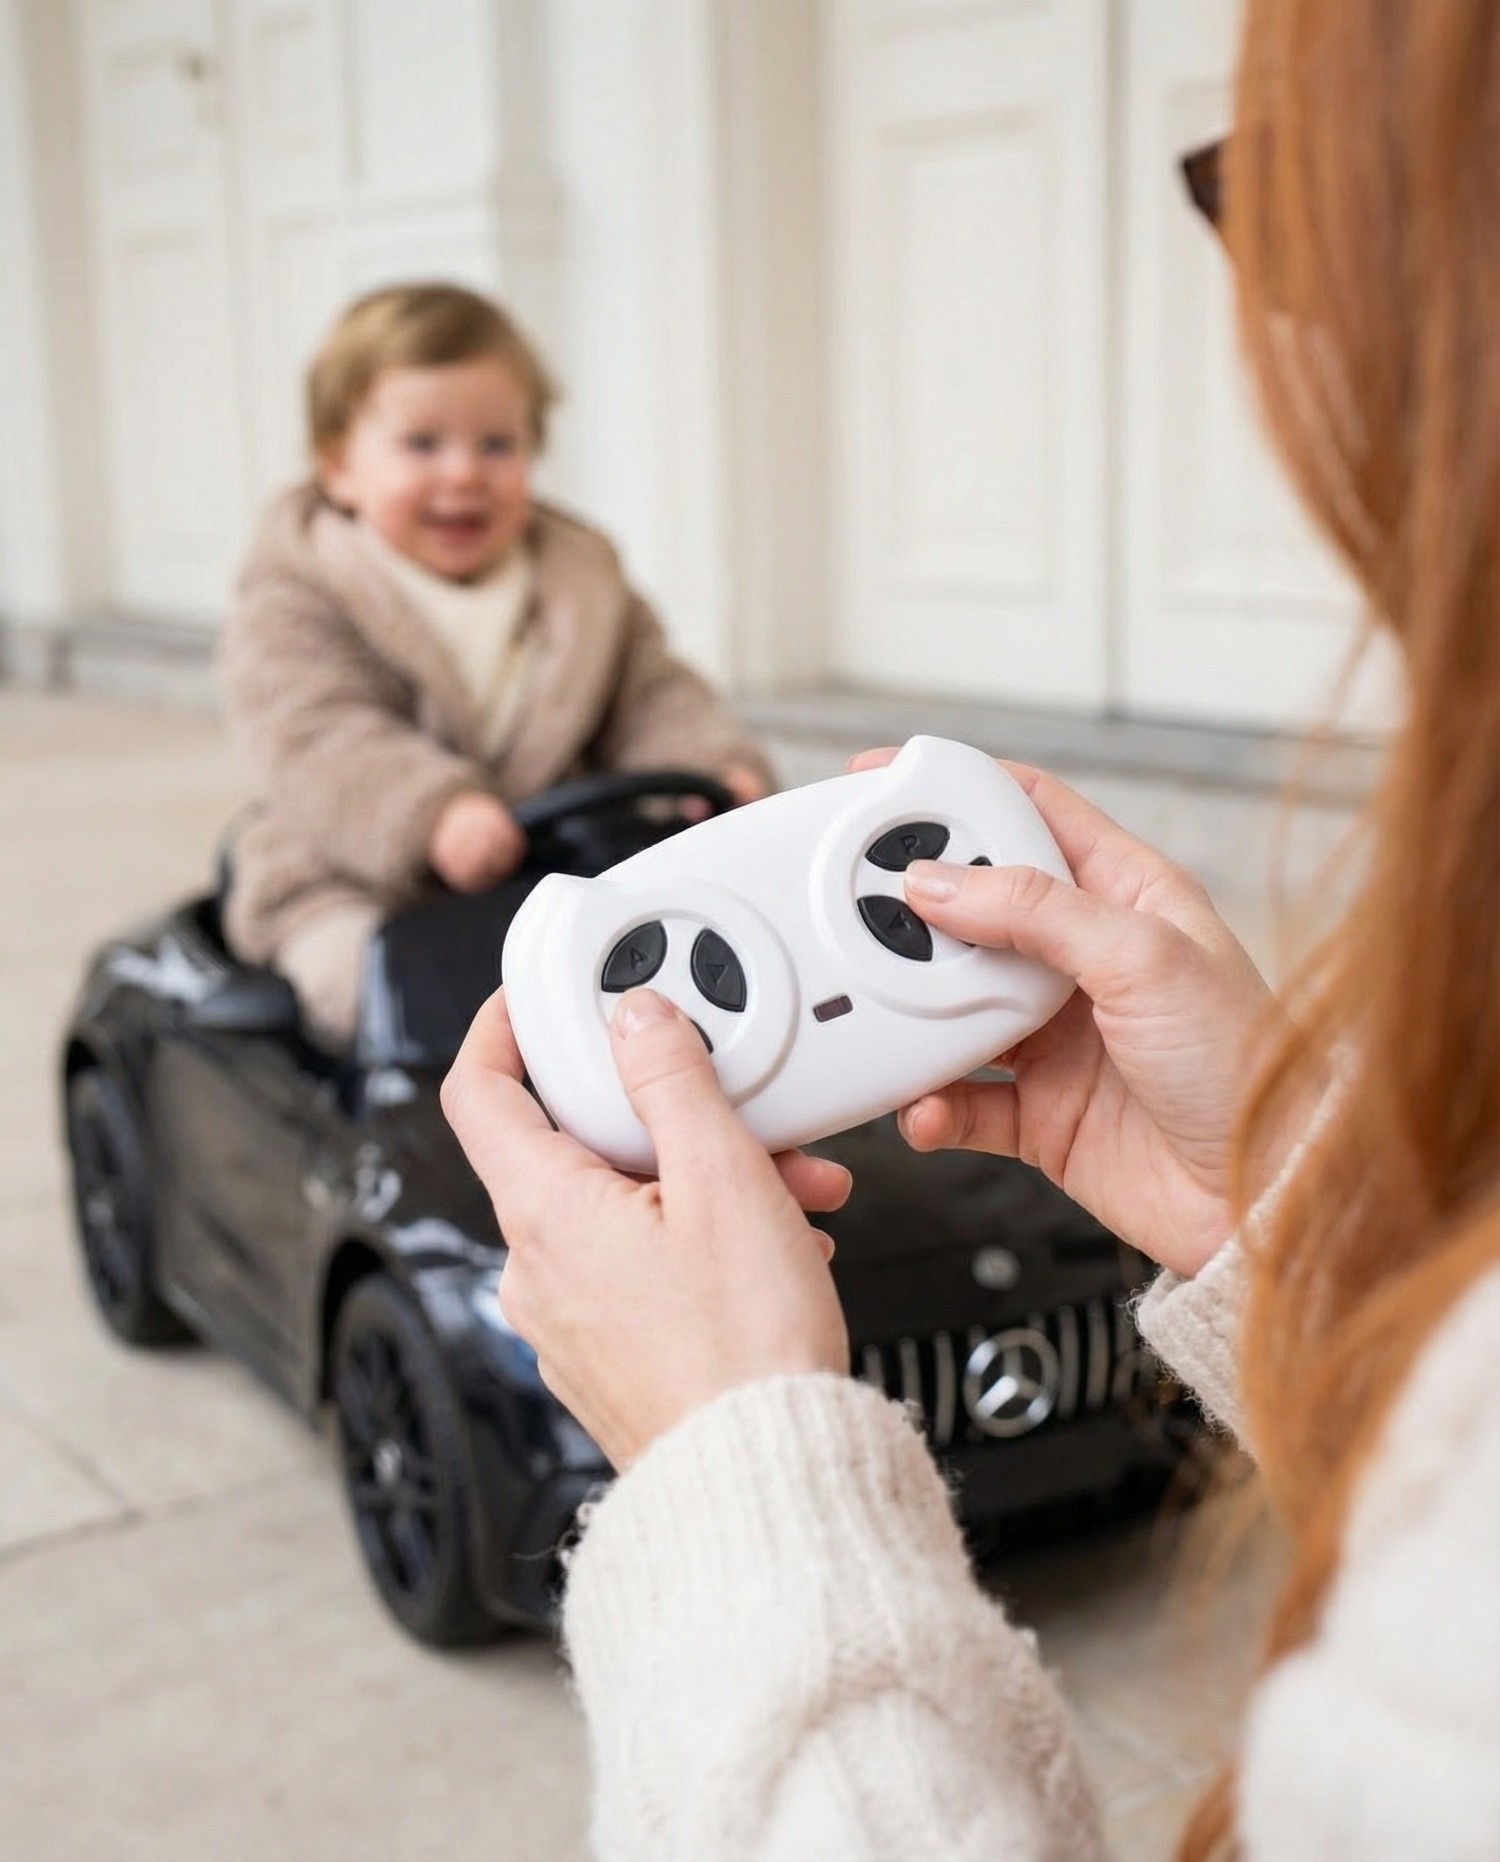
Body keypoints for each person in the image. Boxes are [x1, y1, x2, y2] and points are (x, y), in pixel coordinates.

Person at [442, 0, 1499, 1855]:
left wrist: (733, 1472)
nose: (1280, 325)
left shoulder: (591, 580)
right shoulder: (319, 599)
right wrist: (1292, 1215)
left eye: (1282, 209)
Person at [220, 283, 772, 1046]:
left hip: (555, 870)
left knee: (701, 953)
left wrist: (710, 764)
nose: (464, 474)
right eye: (423, 444)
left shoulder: (579, 581)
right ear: (339, 467)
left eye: (497, 445)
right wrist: (432, 812)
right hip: (354, 877)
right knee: (365, 991)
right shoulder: (300, 589)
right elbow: (314, 733)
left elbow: (652, 692)